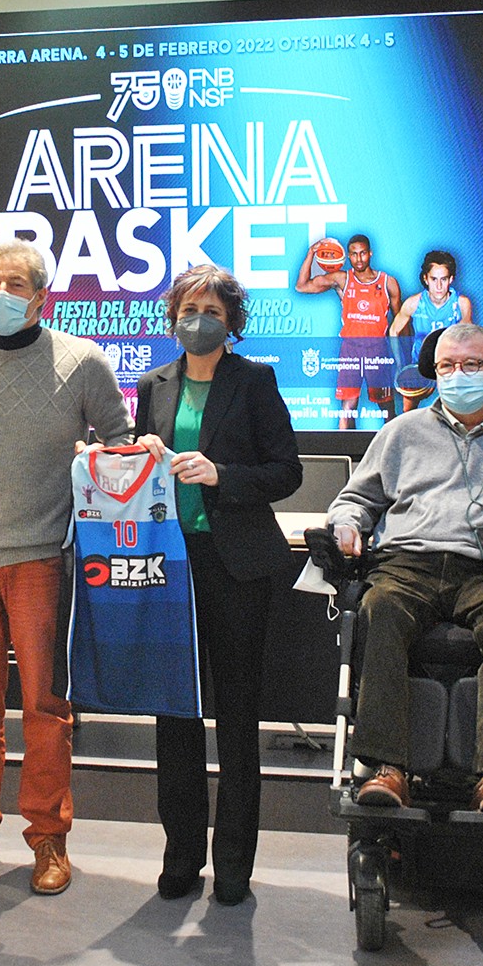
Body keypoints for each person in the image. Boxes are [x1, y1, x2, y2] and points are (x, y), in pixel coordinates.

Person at [0, 239, 134, 895]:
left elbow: (120, 448)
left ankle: (48, 836)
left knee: (46, 706)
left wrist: (105, 474)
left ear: (42, 295)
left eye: (17, 284)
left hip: (44, 559)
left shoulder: (83, 362)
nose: (2, 294)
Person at [326, 323, 483, 816]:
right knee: (377, 607)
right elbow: (354, 499)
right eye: (446, 366)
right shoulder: (401, 431)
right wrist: (347, 525)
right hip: (409, 564)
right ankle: (384, 768)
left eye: (471, 365)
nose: (456, 375)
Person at [132, 265, 302, 906]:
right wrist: (135, 455)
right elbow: (136, 470)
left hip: (237, 566)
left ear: (232, 320)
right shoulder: (154, 383)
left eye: (210, 308)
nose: (195, 318)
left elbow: (285, 471)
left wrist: (221, 475)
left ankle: (233, 863)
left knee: (235, 719)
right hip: (167, 564)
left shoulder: (254, 381)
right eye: (186, 307)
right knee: (174, 713)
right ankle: (181, 857)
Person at [298, 234, 401, 428]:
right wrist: (311, 253)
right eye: (354, 254)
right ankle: (347, 454)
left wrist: (403, 356)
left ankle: (393, 453)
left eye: (362, 253)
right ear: (348, 257)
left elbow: (401, 322)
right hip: (351, 350)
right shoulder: (342, 279)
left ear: (370, 254)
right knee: (347, 407)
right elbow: (302, 286)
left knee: (387, 408)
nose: (358, 259)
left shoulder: (388, 282)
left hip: (377, 350)